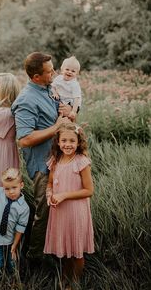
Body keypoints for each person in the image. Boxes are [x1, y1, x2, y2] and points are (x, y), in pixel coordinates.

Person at [11, 52, 71, 261]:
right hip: (42, 166)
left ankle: (57, 251)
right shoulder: (26, 100)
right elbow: (24, 139)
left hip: (60, 161)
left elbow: (62, 119)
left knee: (60, 209)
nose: (54, 72)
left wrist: (68, 112)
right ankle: (35, 259)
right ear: (36, 76)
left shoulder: (49, 89)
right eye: (49, 71)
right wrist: (56, 127)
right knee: (43, 214)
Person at [44, 122, 94, 288]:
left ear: (78, 142)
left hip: (76, 212)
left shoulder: (81, 162)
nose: (67, 144)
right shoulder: (55, 160)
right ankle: (65, 277)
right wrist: (49, 195)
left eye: (72, 141)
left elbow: (89, 190)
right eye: (64, 140)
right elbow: (50, 183)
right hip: (60, 212)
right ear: (58, 142)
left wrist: (64, 195)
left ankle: (75, 282)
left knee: (76, 250)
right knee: (65, 248)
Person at [52, 56, 82, 121]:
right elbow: (52, 86)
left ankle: (69, 123)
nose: (69, 72)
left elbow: (76, 98)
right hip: (62, 99)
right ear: (62, 70)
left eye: (73, 71)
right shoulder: (58, 78)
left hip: (72, 103)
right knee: (54, 102)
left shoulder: (74, 84)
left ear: (77, 74)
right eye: (67, 69)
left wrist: (74, 111)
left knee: (69, 117)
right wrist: (54, 92)